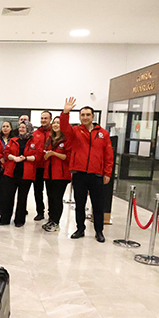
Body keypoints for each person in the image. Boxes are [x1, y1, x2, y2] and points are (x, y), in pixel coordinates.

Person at [60, 97, 113, 243]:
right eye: (82, 115)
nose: (85, 117)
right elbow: (64, 128)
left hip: (96, 174)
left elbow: (108, 154)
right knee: (80, 203)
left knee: (98, 204)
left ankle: (99, 231)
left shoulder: (103, 134)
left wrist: (107, 172)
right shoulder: (75, 131)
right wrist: (65, 112)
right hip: (79, 173)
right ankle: (80, 229)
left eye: (88, 114)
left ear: (93, 116)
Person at [0, 121, 38, 228]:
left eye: (24, 127)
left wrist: (25, 158)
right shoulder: (13, 140)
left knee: (22, 198)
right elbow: (6, 153)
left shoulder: (34, 141)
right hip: (11, 172)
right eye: (20, 127)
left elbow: (37, 156)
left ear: (28, 129)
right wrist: (14, 158)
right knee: (8, 197)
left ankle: (19, 220)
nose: (21, 129)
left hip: (26, 174)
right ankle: (5, 218)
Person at [41, 116, 70, 233]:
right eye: (54, 123)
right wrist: (46, 155)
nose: (56, 125)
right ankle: (51, 219)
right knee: (50, 198)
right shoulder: (50, 139)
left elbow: (67, 157)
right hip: (49, 173)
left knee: (57, 199)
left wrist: (54, 154)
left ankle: (56, 222)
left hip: (61, 175)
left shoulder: (66, 140)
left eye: (58, 123)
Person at [31, 111, 53, 221]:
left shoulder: (54, 132)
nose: (43, 120)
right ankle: (40, 212)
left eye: (46, 118)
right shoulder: (35, 134)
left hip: (50, 166)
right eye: (42, 118)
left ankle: (51, 213)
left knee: (50, 192)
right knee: (38, 191)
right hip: (38, 167)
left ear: (50, 119)